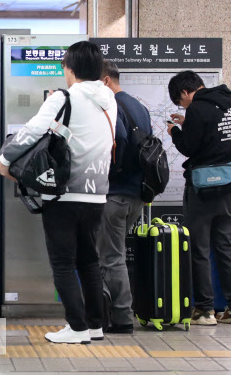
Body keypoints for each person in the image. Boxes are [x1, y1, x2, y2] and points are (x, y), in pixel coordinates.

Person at [0, 41, 116, 344]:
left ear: (71, 68)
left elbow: (32, 131)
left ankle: (76, 328)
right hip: (97, 195)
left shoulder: (63, 97)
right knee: (89, 261)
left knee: (63, 263)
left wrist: (4, 160)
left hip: (63, 195)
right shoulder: (109, 101)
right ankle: (94, 325)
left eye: (64, 66)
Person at [167, 70, 231, 325]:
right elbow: (219, 137)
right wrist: (186, 122)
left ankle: (204, 310)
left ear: (184, 92)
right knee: (225, 244)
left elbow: (190, 147)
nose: (183, 106)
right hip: (227, 184)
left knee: (199, 248)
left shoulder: (197, 109)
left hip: (202, 189)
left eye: (180, 102)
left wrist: (175, 132)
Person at [97, 60, 152, 334]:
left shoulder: (114, 105)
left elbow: (116, 141)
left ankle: (121, 318)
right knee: (112, 255)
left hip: (117, 193)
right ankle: (109, 310)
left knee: (111, 257)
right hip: (136, 195)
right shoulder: (139, 105)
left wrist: (107, 170)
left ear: (106, 81)